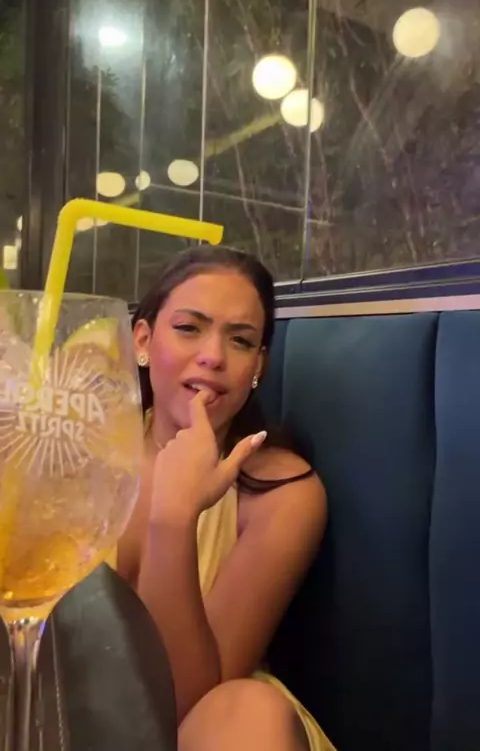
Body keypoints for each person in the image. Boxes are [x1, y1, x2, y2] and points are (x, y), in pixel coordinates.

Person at [118, 245, 335, 751]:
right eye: (188, 328)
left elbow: (181, 703)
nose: (213, 356)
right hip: (69, 716)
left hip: (209, 728)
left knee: (251, 711)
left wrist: (174, 518)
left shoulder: (284, 492)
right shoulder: (78, 452)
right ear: (143, 339)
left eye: (240, 340)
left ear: (258, 365)